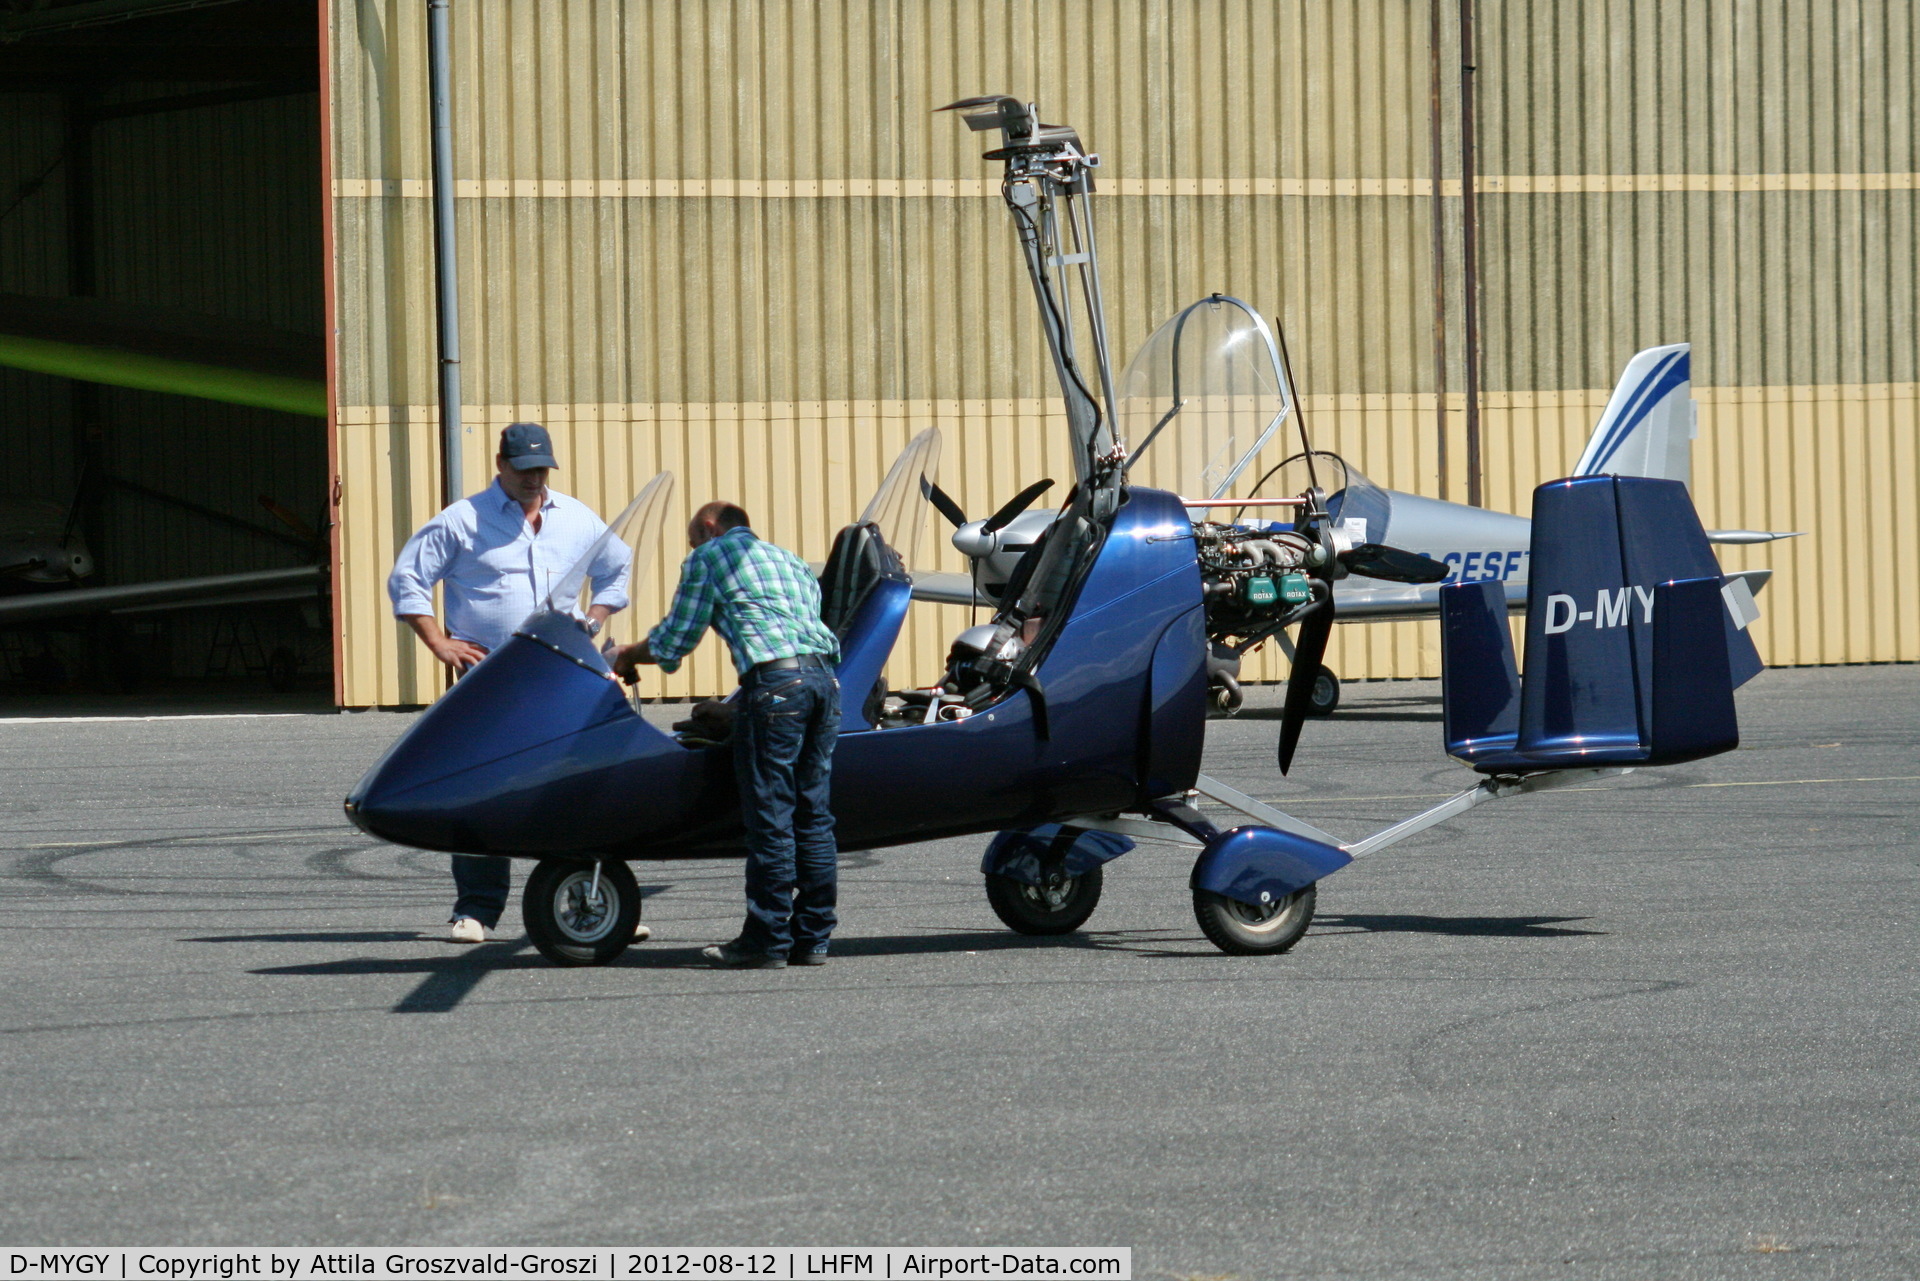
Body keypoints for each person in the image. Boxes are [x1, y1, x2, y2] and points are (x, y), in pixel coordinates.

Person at [388, 422, 639, 943]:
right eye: (524, 470)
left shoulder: (576, 518)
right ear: (500, 465)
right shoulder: (462, 522)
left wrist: (592, 619)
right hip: (490, 681)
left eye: (542, 469)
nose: (534, 479)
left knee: (576, 783)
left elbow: (618, 567)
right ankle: (476, 909)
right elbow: (408, 578)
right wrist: (438, 642)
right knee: (480, 787)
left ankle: (591, 900)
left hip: (560, 675)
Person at [611, 502, 842, 969]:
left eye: (694, 538)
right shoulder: (788, 559)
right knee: (812, 813)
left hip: (777, 687)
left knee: (770, 815)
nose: (693, 548)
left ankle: (766, 940)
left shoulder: (710, 556)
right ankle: (813, 937)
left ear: (710, 528)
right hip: (824, 684)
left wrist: (625, 654)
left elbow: (675, 639)